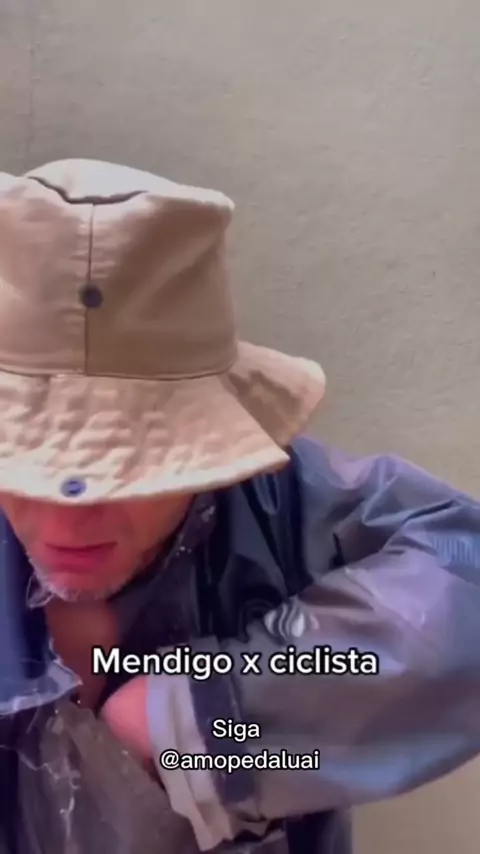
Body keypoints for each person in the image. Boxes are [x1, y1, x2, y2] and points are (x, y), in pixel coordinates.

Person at [1, 158, 480, 854]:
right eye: (25, 465)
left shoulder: (277, 508)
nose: (68, 520)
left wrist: (210, 719)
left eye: (131, 467)